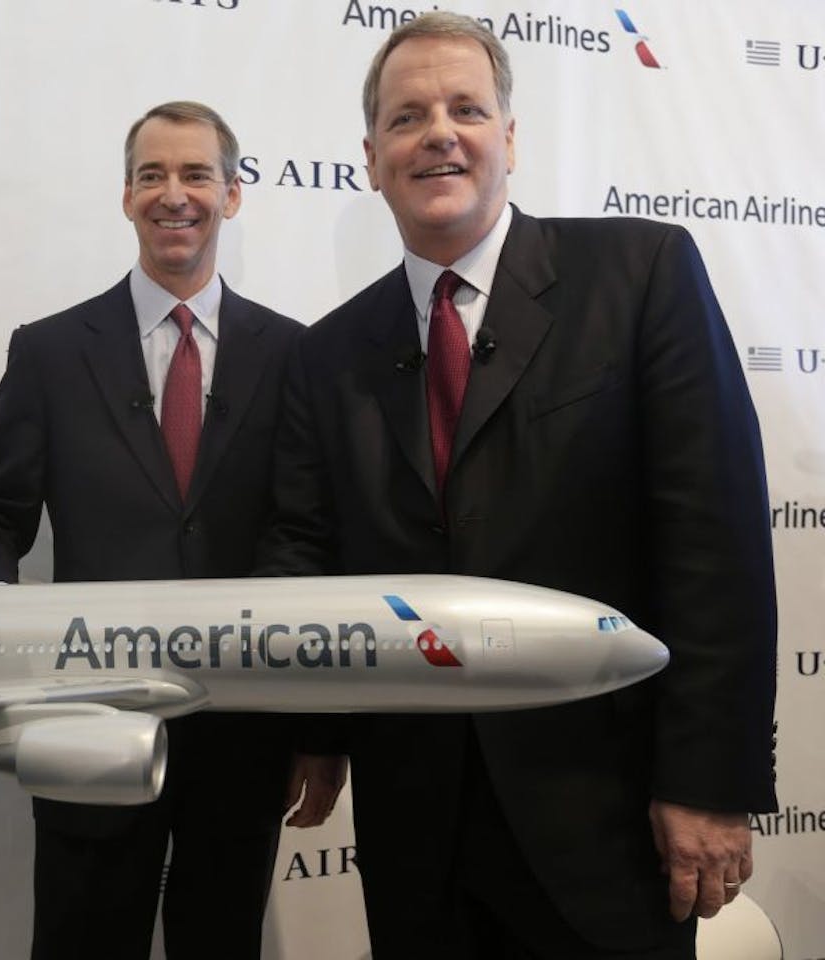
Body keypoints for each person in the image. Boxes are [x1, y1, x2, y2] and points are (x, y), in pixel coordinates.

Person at [257, 13, 777, 958]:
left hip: (610, 814)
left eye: (467, 108)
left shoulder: (641, 273)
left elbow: (717, 545)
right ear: (371, 158)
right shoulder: (327, 354)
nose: (440, 133)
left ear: (510, 138)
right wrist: (315, 725)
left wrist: (708, 779)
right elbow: (308, 549)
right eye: (408, 117)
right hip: (418, 824)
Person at [0, 101, 309, 960]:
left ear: (233, 195)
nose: (172, 195)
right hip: (87, 726)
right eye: (152, 175)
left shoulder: (295, 354)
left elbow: (302, 529)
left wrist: (306, 714)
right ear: (126, 196)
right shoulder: (51, 352)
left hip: (242, 730)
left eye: (194, 174)